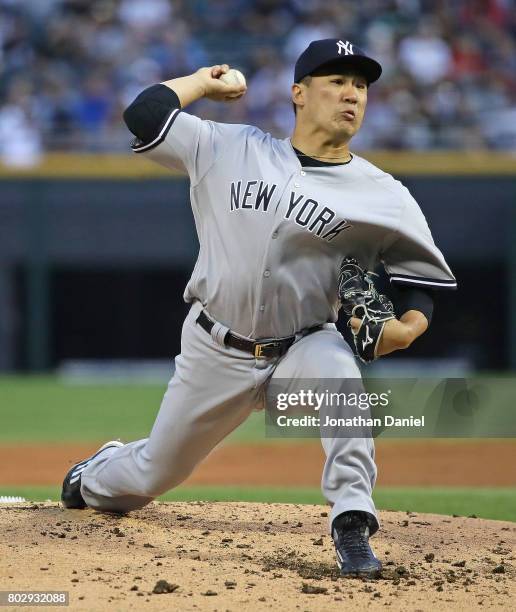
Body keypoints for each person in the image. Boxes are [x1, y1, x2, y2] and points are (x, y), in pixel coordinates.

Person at [61, 39, 456, 577]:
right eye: (336, 82)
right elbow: (144, 115)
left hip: (303, 344)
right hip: (214, 346)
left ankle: (352, 521)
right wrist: (202, 82)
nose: (352, 95)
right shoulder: (229, 147)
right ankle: (96, 473)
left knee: (340, 374)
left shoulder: (383, 194)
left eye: (361, 86)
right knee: (151, 474)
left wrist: (408, 329)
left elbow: (421, 282)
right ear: (298, 93)